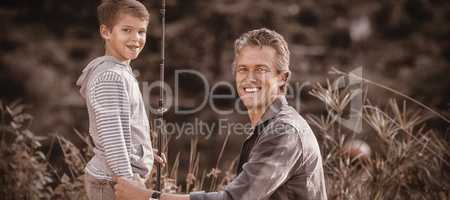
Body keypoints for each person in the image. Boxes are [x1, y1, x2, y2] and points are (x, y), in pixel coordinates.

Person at [113, 28, 327, 200]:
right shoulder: (267, 128)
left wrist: (147, 197)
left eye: (261, 69)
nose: (249, 78)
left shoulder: (284, 132)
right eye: (243, 69)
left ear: (282, 77)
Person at [76, 0, 165, 199]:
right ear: (106, 32)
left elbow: (123, 128)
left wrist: (145, 152)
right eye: (127, 30)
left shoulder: (120, 70)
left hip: (116, 178)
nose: (136, 38)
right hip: (112, 183)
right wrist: (129, 184)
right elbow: (113, 139)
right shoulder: (110, 77)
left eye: (141, 31)